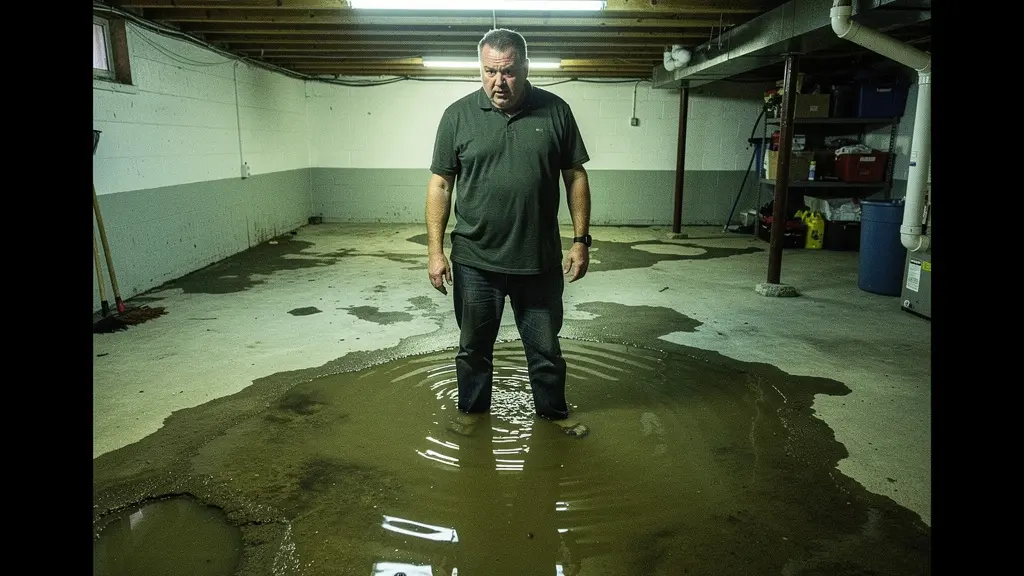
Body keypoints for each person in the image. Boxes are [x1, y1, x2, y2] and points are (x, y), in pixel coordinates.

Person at [425, 27, 592, 439]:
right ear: (480, 69)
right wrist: (435, 252)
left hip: (538, 260)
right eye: (489, 71)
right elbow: (441, 184)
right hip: (475, 260)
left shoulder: (555, 111)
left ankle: (554, 413)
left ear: (526, 67)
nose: (498, 82)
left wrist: (580, 240)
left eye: (508, 72)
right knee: (473, 349)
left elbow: (575, 176)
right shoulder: (457, 115)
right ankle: (472, 413)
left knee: (546, 349)